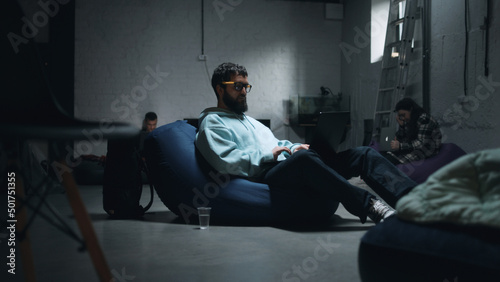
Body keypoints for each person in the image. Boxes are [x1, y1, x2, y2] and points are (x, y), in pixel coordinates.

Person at [195, 62, 417, 224]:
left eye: (246, 86)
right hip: (266, 175)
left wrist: (293, 147)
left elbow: (277, 142)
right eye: (237, 86)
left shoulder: (250, 121)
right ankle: (369, 205)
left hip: (290, 165)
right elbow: (224, 160)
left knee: (363, 154)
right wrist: (268, 156)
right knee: (303, 160)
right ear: (220, 89)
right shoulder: (212, 122)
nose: (244, 92)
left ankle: (417, 202)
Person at [386, 98, 442, 165]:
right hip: (414, 148)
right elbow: (405, 139)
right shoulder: (411, 120)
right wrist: (402, 126)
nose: (403, 118)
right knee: (386, 156)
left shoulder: (424, 119)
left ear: (411, 110)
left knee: (391, 160)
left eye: (403, 115)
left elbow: (421, 143)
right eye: (400, 116)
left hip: (425, 150)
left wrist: (400, 146)